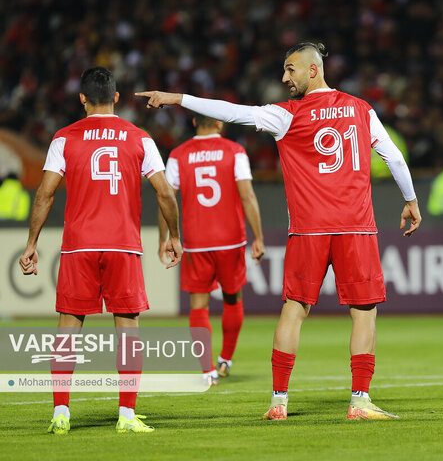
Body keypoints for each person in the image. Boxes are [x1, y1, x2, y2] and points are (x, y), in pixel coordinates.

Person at [138, 42, 421, 420]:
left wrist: (178, 98)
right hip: (355, 227)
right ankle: (360, 400)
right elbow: (394, 157)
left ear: (313, 70)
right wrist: (411, 200)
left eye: (291, 70)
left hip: (308, 230)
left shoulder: (287, 116)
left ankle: (279, 401)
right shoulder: (360, 109)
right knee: (364, 312)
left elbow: (231, 113)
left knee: (293, 310)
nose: (284, 77)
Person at [18, 67, 182, 434]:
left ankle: (61, 413)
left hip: (78, 247)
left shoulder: (64, 138)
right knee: (128, 330)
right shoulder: (139, 138)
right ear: (117, 98)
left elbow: (45, 193)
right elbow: (165, 192)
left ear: (82, 99)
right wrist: (174, 235)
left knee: (67, 329)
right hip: (123, 245)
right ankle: (126, 415)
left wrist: (31, 244)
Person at [159, 114, 265, 385]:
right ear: (220, 123)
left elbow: (166, 198)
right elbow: (247, 195)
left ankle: (207, 371)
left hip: (196, 242)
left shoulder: (179, 155)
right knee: (233, 299)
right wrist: (258, 237)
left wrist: (168, 238)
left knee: (199, 305)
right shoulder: (235, 151)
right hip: (231, 240)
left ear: (194, 122)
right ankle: (225, 360)